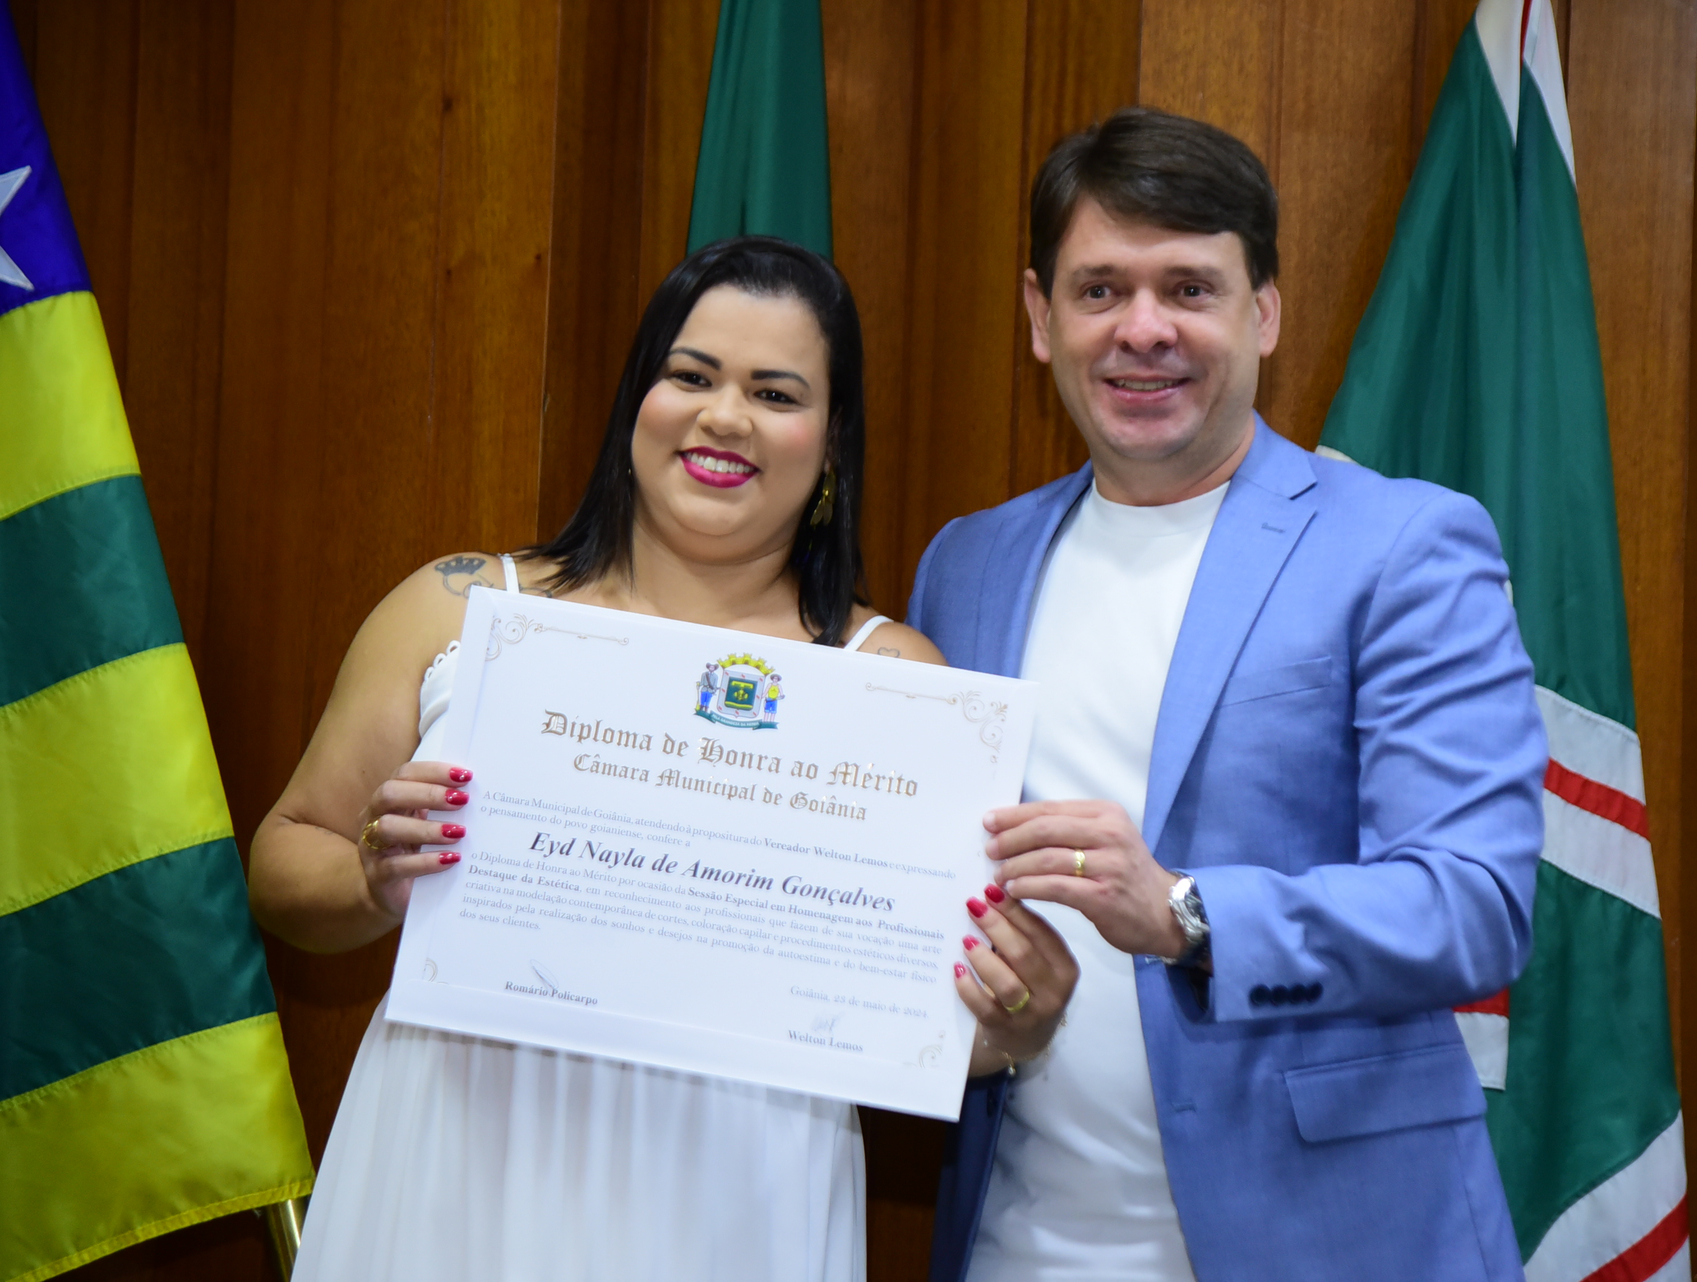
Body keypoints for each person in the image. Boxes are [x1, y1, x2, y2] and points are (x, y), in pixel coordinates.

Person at [248, 237, 1076, 1282]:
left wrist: (1022, 1015)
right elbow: (283, 860)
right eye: (691, 375)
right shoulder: (461, 605)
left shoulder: (894, 681)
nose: (724, 416)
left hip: (736, 1182)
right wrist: (373, 881)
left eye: (775, 393)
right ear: (638, 399)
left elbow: (941, 1023)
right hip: (454, 1143)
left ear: (832, 442)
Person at [908, 109, 1546, 1281]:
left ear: (1265, 313)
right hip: (1020, 1246)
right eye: (1101, 289)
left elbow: (1473, 902)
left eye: (1190, 289)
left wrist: (1187, 913)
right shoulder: (967, 563)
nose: (1143, 329)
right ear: (1041, 318)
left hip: (1325, 1247)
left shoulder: (1404, 546)